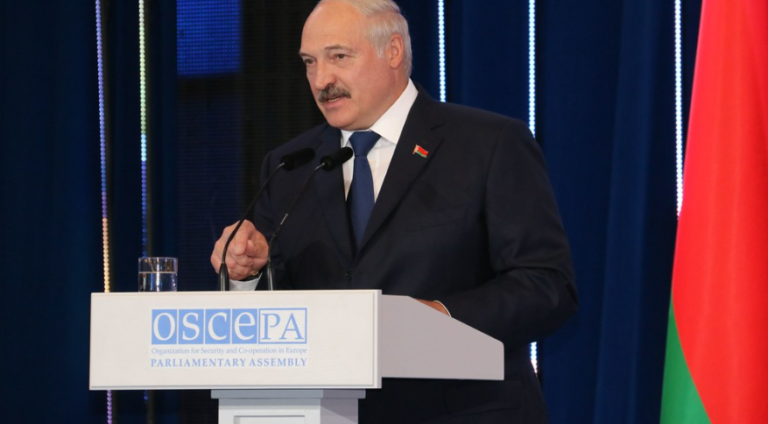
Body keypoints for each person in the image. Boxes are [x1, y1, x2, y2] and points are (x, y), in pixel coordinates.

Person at [211, 0, 577, 422]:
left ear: (394, 51)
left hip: (463, 411)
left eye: (338, 57)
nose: (321, 80)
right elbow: (274, 317)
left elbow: (547, 286)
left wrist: (439, 317)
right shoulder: (291, 165)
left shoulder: (488, 144)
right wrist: (246, 274)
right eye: (310, 62)